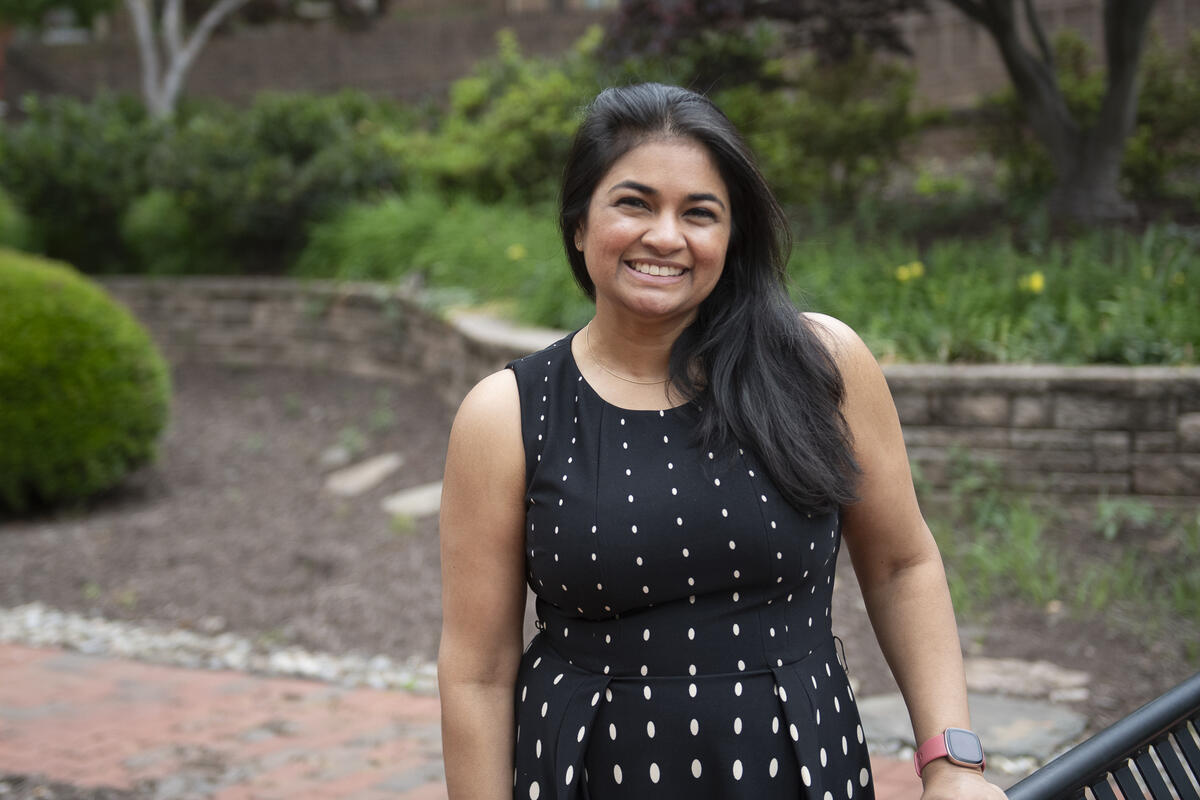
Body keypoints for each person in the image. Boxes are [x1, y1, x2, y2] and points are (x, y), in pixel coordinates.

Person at [438, 82, 1008, 800]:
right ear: (579, 223)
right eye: (635, 203)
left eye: (699, 213)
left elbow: (901, 565)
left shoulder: (820, 365)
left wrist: (951, 763)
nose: (666, 236)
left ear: (731, 237)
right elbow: (478, 671)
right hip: (590, 774)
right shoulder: (508, 413)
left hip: (797, 767)